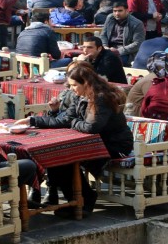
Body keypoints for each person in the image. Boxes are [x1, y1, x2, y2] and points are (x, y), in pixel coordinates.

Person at [12, 64, 133, 216]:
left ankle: (85, 200)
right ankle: (75, 199)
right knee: (57, 156)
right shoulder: (79, 96)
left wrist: (73, 122)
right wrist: (32, 121)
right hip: (95, 141)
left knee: (65, 158)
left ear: (86, 83)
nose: (72, 88)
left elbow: (91, 127)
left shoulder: (101, 98)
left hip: (114, 145)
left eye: (75, 85)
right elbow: (65, 119)